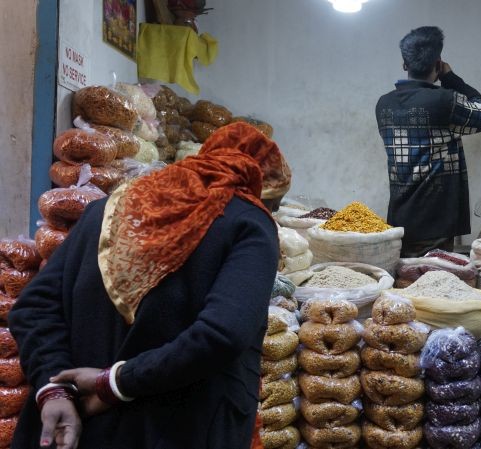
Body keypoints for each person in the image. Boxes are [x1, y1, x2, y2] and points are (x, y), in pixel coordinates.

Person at [9, 122, 291, 449]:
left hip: (76, 429)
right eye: (275, 203)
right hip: (177, 428)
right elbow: (221, 334)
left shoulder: (107, 210)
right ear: (259, 183)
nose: (273, 211)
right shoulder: (250, 224)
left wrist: (55, 388)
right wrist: (115, 382)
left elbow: (33, 307)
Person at [375, 26, 481, 258]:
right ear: (438, 63)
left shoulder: (384, 104)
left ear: (404, 64)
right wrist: (451, 78)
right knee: (433, 284)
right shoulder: (444, 101)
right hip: (437, 220)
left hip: (400, 218)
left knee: (407, 284)